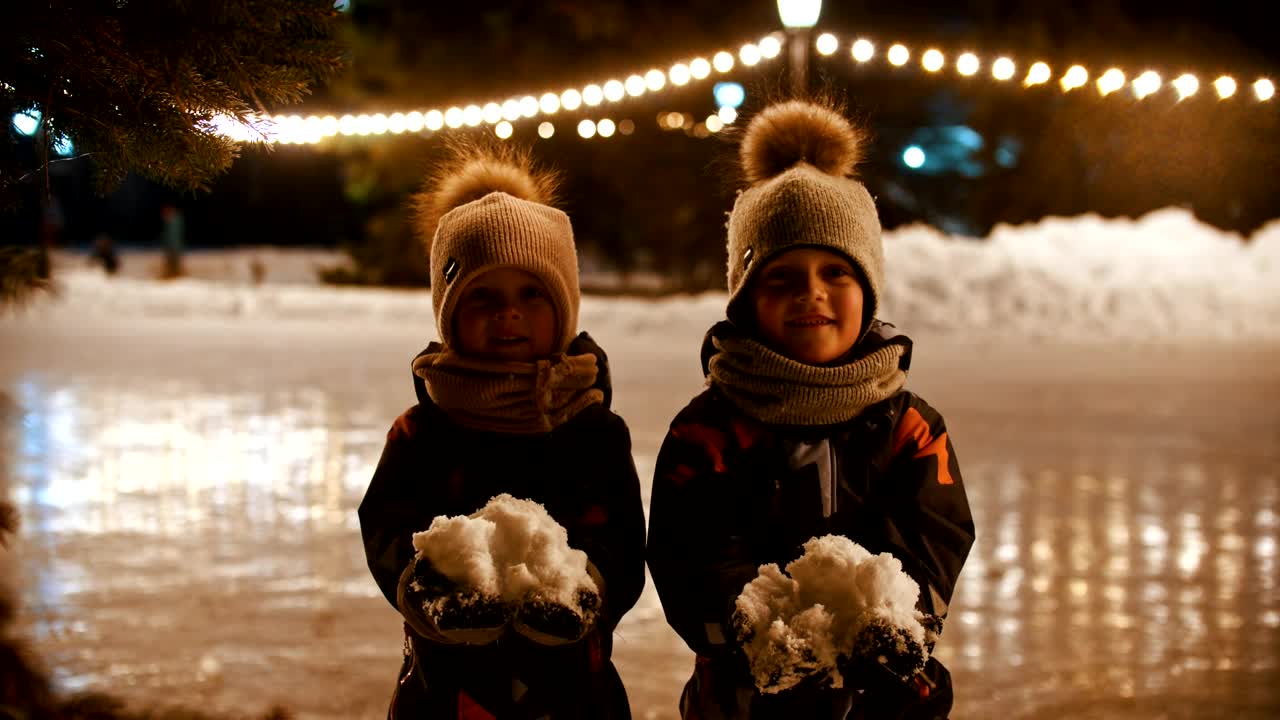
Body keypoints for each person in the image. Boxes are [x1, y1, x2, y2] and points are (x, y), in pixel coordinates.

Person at [647, 99, 976, 719]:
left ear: (869, 289)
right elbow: (688, 554)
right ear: (747, 301)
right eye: (782, 278)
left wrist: (894, 622)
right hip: (743, 700)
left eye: (836, 272)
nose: (811, 294)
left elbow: (935, 537)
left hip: (887, 700)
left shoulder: (910, 427)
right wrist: (760, 631)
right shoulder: (708, 431)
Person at [358, 143, 646, 719]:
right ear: (448, 313)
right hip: (445, 693)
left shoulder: (593, 431)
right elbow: (386, 526)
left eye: (531, 294)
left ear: (565, 307)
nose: (507, 313)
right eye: (482, 296)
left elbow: (625, 546)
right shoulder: (424, 432)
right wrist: (424, 582)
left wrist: (584, 587)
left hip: (573, 694)